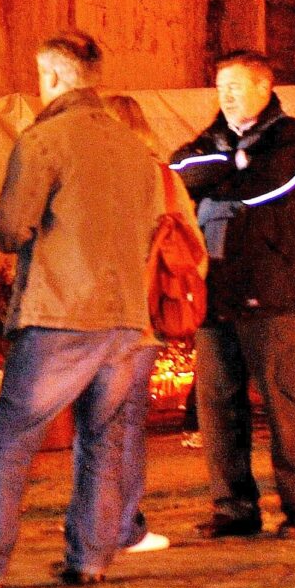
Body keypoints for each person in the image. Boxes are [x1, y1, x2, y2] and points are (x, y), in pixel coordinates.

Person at [0, 32, 165, 588]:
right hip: (124, 316)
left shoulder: (43, 141)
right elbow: (150, 227)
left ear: (52, 77)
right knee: (102, 440)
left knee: (11, 440)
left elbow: (9, 229)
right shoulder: (133, 148)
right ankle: (90, 559)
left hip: (60, 312)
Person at [169, 50, 295, 540]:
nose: (227, 96)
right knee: (217, 404)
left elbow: (267, 187)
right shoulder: (215, 138)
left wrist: (220, 179)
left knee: (282, 400)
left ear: (264, 86)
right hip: (214, 289)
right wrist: (228, 162)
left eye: (235, 85)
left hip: (270, 288)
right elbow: (179, 171)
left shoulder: (293, 136)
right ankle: (233, 506)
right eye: (221, 87)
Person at [105, 93, 205, 559]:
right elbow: (193, 249)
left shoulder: (87, 175)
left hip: (89, 315)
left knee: (96, 423)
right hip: (142, 318)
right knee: (126, 423)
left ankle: (93, 521)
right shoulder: (163, 179)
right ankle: (125, 525)